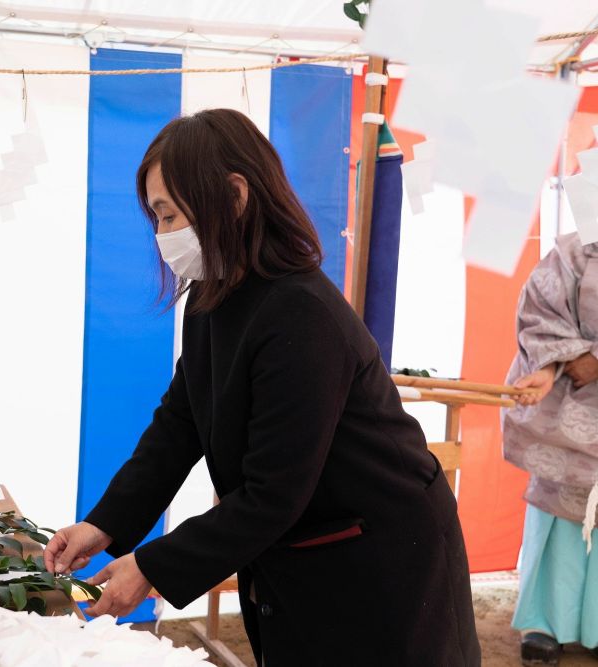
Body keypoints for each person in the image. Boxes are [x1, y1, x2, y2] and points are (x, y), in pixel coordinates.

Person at [43, 108, 480, 666]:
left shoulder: (301, 312)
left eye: (170, 214)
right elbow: (180, 424)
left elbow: (275, 492)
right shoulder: (210, 298)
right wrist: (104, 525)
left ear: (233, 196)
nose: (163, 236)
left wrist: (153, 567)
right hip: (303, 554)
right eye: (156, 218)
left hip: (382, 561)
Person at [503, 232, 598, 666]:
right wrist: (559, 361)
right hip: (571, 396)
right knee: (557, 512)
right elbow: (540, 308)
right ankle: (542, 623)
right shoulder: (574, 249)